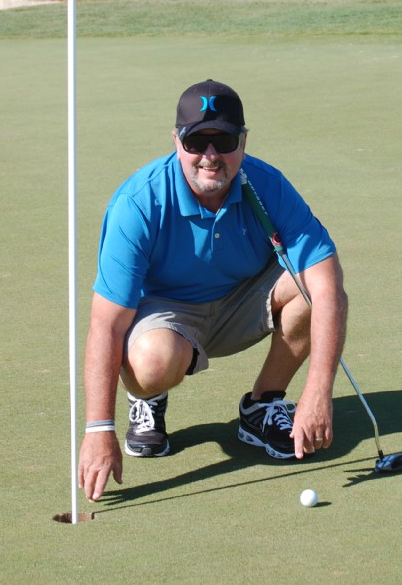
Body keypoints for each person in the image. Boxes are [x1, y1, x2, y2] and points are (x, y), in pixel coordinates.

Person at [78, 78, 348, 503]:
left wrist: (318, 392)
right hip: (166, 314)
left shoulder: (267, 185)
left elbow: (328, 286)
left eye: (223, 141)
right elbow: (106, 324)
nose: (210, 155)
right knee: (152, 363)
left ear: (243, 142)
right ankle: (147, 397)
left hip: (243, 302)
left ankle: (263, 406)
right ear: (176, 141)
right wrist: (99, 429)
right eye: (195, 142)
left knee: (313, 290)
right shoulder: (138, 202)